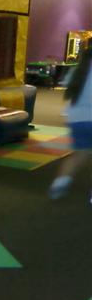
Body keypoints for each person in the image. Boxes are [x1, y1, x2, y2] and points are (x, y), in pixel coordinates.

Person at [48, 45, 92, 203]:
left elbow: (67, 85)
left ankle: (58, 185)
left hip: (77, 119)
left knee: (80, 153)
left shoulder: (79, 69)